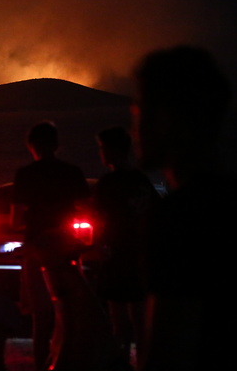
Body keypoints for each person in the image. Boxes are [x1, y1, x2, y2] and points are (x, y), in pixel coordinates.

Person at [133, 46, 237, 371]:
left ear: (167, 119)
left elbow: (168, 353)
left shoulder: (181, 218)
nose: (135, 131)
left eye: (140, 114)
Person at [10, 121, 91, 371]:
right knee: (67, 310)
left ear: (31, 146)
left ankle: (41, 363)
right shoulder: (72, 173)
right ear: (57, 145)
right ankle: (66, 361)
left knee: (40, 312)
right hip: (65, 245)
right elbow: (87, 209)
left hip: (37, 246)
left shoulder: (24, 176)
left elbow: (15, 220)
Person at [93, 126, 160, 366]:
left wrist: (98, 246)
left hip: (117, 256)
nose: (100, 153)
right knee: (140, 318)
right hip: (139, 255)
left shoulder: (108, 184)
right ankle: (143, 361)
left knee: (119, 319)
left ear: (112, 150)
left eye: (102, 148)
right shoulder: (140, 180)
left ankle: (120, 363)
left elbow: (99, 220)